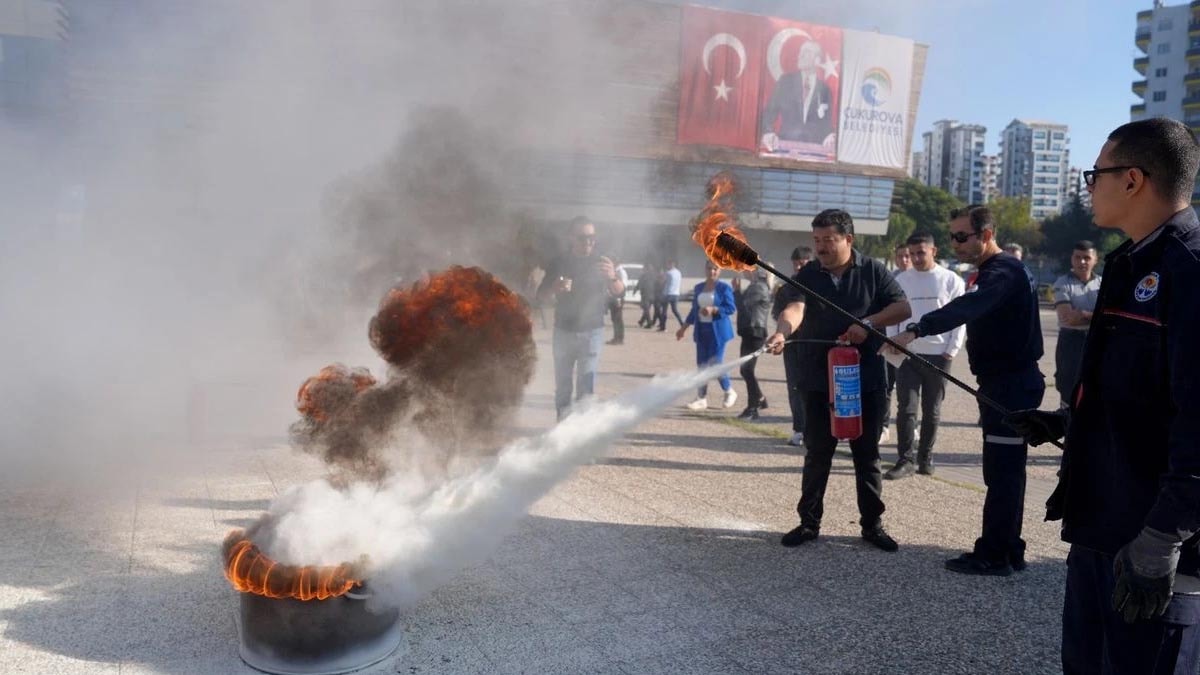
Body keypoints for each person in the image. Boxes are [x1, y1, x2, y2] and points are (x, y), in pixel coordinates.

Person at [1005, 118, 1200, 673]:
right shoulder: (1128, 262)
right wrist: (1066, 419)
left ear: (1132, 179)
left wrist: (1162, 538)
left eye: (1097, 174)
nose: (1089, 186)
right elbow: (1134, 385)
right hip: (1100, 523)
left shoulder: (1190, 271)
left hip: (1156, 541)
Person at [891, 205, 1043, 576]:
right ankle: (1009, 548)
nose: (954, 244)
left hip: (1010, 387)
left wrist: (917, 328)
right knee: (1007, 472)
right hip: (1006, 383)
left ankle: (994, 554)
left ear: (986, 235)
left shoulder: (1003, 271)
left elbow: (968, 306)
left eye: (962, 236)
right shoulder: (999, 270)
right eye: (952, 236)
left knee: (1002, 474)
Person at [767, 209, 911, 552]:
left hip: (866, 379)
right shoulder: (809, 275)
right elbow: (794, 309)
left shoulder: (873, 270)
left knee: (867, 455)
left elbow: (903, 308)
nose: (821, 247)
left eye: (828, 240)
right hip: (818, 379)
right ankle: (808, 522)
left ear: (849, 239)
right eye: (816, 240)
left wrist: (868, 323)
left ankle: (872, 525)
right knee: (817, 453)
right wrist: (782, 332)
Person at [883, 233, 965, 480]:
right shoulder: (900, 280)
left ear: (934, 251)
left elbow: (960, 318)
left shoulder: (952, 280)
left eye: (921, 252)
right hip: (908, 354)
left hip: (939, 355)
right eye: (912, 253)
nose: (916, 258)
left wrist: (952, 349)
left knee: (932, 410)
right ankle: (905, 459)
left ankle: (925, 457)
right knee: (906, 409)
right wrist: (892, 341)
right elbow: (892, 313)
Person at [537, 217, 624, 421]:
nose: (588, 242)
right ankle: (562, 430)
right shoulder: (559, 262)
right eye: (583, 237)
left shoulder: (602, 262)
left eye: (592, 237)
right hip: (563, 331)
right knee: (563, 386)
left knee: (586, 387)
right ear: (571, 238)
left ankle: (580, 437)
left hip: (592, 331)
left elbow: (619, 292)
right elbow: (540, 295)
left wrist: (612, 276)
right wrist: (554, 288)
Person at [676, 261, 738, 410]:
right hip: (702, 330)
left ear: (720, 271)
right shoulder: (698, 288)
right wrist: (683, 328)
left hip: (718, 332)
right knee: (702, 365)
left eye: (715, 269)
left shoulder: (724, 288)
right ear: (705, 269)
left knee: (716, 363)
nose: (712, 272)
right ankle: (701, 398)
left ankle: (729, 391)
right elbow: (694, 310)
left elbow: (731, 308)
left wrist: (714, 309)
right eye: (709, 268)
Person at [1050, 240, 1100, 407]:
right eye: (1077, 257)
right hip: (1070, 342)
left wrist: (1082, 314)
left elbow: (1110, 316)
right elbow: (1067, 317)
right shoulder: (1062, 283)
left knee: (1096, 386)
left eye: (1086, 257)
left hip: (1095, 341)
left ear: (1095, 259)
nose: (1082, 262)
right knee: (1067, 387)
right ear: (1072, 259)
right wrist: (1095, 315)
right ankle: (1067, 427)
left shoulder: (1103, 284)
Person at [774, 246, 814, 446]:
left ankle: (817, 429)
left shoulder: (819, 285)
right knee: (795, 387)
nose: (799, 266)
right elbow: (778, 313)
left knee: (816, 387)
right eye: (796, 263)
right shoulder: (786, 288)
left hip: (814, 344)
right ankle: (799, 429)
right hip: (792, 344)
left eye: (803, 262)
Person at [760, 40, 835, 149]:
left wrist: (830, 135)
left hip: (814, 150)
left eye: (807, 52)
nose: (800, 55)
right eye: (800, 51)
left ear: (817, 61)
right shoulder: (785, 82)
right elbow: (769, 113)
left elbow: (826, 124)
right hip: (785, 147)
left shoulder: (825, 89)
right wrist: (767, 133)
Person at [882, 243, 914, 442]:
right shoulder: (889, 279)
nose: (904, 260)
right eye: (900, 256)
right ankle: (883, 426)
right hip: (891, 340)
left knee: (910, 392)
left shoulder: (921, 280)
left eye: (908, 256)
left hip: (913, 343)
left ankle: (912, 427)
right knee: (886, 386)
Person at [733, 265, 772, 420]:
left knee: (747, 370)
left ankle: (753, 407)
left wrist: (736, 292)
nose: (742, 270)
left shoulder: (758, 287)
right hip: (750, 332)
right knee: (746, 370)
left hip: (754, 332)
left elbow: (744, 308)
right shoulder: (755, 286)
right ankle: (760, 399)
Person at [606, 258, 629, 345]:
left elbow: (623, 285)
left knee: (617, 318)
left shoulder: (621, 272)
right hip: (614, 297)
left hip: (618, 297)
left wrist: (619, 298)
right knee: (615, 318)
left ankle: (619, 338)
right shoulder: (616, 271)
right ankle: (616, 337)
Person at [658, 261, 685, 331]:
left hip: (667, 294)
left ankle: (663, 327)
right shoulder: (679, 272)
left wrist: (661, 276)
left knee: (664, 311)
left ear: (670, 265)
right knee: (675, 310)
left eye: (668, 265)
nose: (667, 266)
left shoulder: (668, 273)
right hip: (676, 294)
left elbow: (662, 281)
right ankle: (682, 324)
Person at [635, 263, 657, 328]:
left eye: (644, 268)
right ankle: (641, 321)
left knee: (646, 309)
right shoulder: (654, 275)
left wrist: (635, 290)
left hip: (646, 295)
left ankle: (649, 323)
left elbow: (639, 284)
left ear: (646, 269)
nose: (643, 270)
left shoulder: (643, 276)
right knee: (646, 309)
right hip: (652, 295)